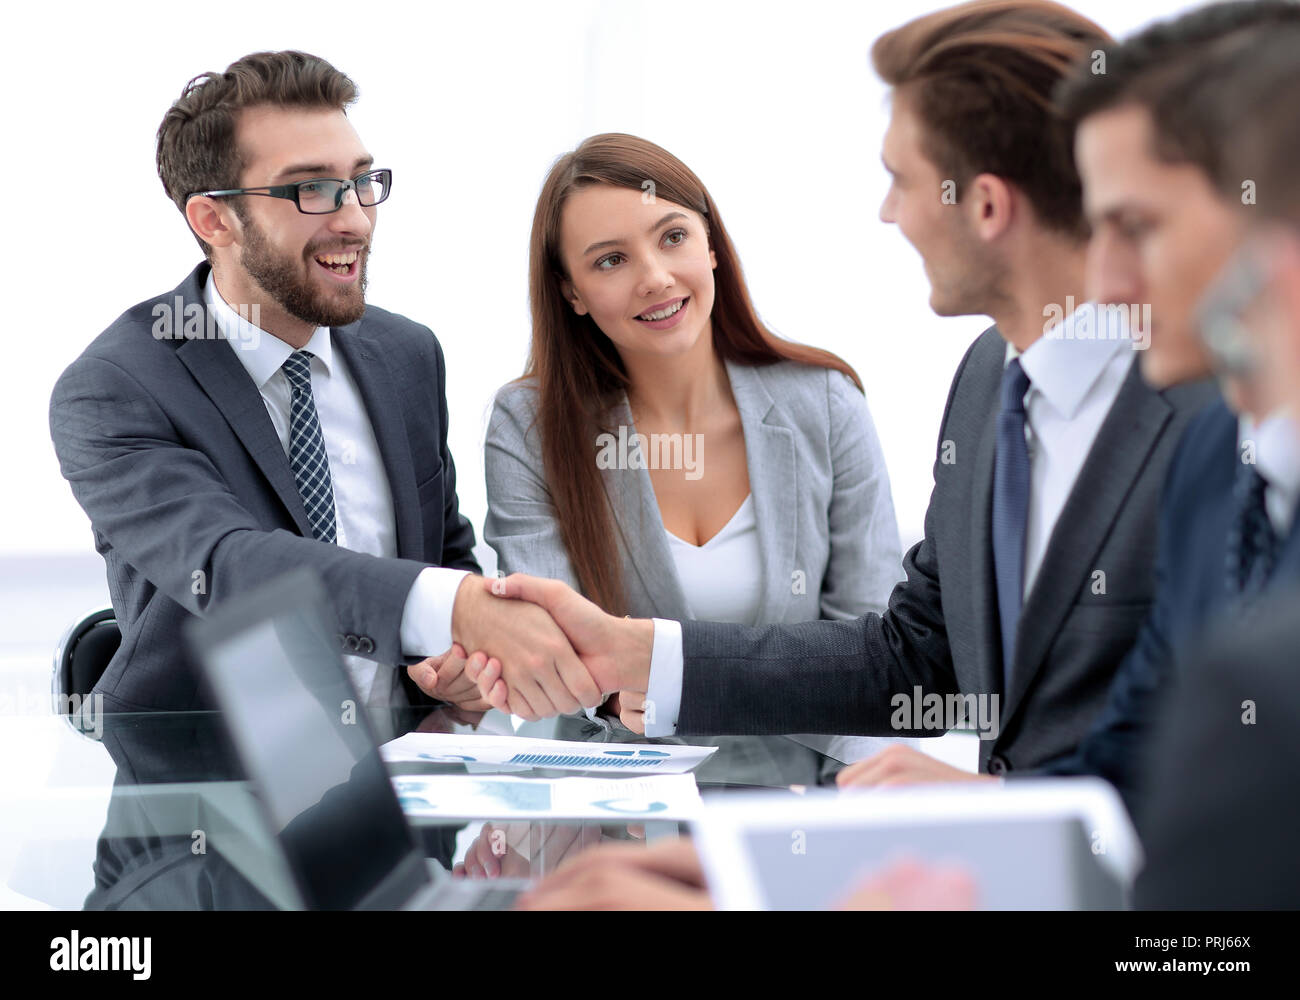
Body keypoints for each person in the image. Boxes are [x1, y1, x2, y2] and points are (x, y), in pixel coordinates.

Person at [469, 0, 1215, 781]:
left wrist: (998, 801)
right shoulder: (990, 380)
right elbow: (913, 650)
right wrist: (648, 658)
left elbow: (1249, 735)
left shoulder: (1213, 405)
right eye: (610, 259)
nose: (887, 212)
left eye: (901, 180)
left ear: (986, 206)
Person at [841, 0, 1300, 807]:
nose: (1110, 282)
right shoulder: (1210, 456)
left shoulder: (1204, 431)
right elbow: (1136, 769)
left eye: (1137, 224)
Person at [48, 50, 600, 720]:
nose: (356, 221)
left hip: (407, 781)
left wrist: (455, 663)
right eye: (311, 190)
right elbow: (230, 569)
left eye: (363, 182)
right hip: (209, 793)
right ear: (213, 220)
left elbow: (442, 555)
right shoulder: (118, 387)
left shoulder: (406, 354)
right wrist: (454, 610)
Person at [476, 132, 906, 786]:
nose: (654, 277)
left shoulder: (825, 403)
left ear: (711, 244)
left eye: (672, 237)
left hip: (799, 794)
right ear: (572, 293)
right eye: (611, 260)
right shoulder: (528, 425)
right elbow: (555, 650)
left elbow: (871, 644)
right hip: (607, 798)